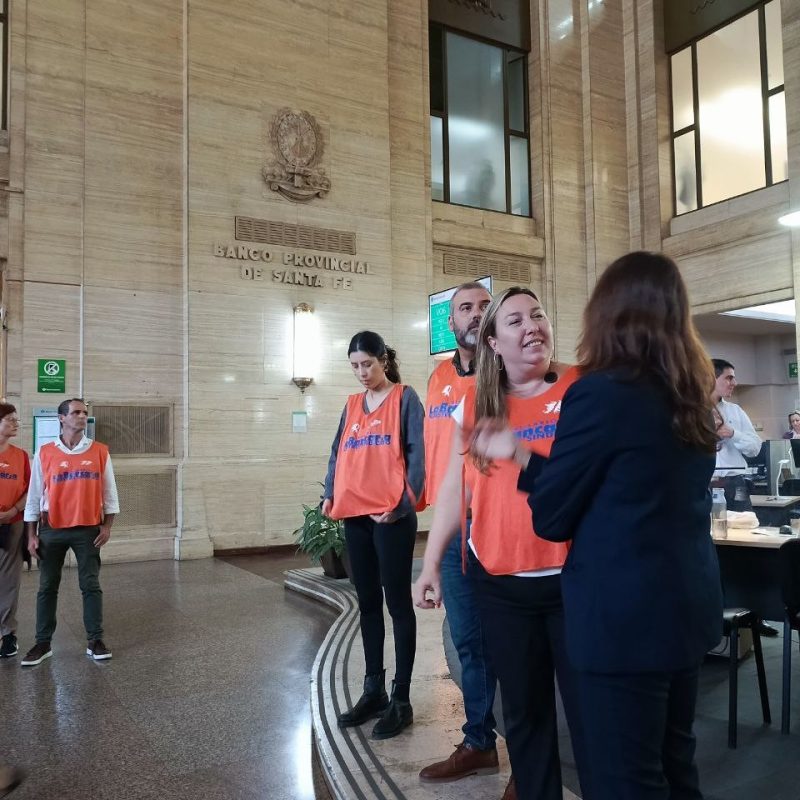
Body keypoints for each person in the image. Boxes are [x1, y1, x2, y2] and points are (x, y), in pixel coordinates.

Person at [469, 252, 723, 800]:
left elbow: (555, 515)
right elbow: (626, 492)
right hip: (686, 610)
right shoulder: (689, 393)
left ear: (607, 311)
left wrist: (524, 463)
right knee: (676, 764)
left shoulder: (600, 392)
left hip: (624, 622)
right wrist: (522, 453)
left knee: (624, 779)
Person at [413, 287, 590, 800]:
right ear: (493, 341)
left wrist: (520, 452)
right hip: (502, 582)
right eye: (514, 320)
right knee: (525, 715)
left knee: (587, 714)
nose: (532, 324)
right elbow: (452, 490)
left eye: (538, 313)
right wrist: (428, 567)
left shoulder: (581, 389)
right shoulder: (473, 403)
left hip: (572, 578)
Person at [418, 282, 512, 793]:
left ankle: (528, 760)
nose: (475, 314)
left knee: (515, 644)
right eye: (464, 308)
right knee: (469, 642)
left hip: (501, 526)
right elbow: (438, 458)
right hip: (453, 532)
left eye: (482, 306)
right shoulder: (436, 379)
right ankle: (478, 741)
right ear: (449, 322)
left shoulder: (507, 375)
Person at [322, 332, 424, 740]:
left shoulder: (405, 398)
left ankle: (402, 699)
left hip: (391, 516)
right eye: (355, 366)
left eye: (367, 364)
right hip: (357, 516)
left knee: (398, 604)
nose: (362, 373)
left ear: (383, 360)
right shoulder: (351, 406)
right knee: (366, 602)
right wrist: (330, 492)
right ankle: (374, 690)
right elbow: (337, 452)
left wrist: (404, 503)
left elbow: (420, 452)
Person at [20, 398, 120, 666]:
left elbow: (110, 494)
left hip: (89, 530)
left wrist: (107, 526)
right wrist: (31, 534)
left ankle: (95, 640)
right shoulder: (45, 452)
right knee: (47, 587)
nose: (81, 416)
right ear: (61, 418)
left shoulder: (99, 451)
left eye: (84, 413)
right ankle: (43, 643)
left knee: (90, 585)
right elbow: (33, 497)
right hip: (51, 529)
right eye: (75, 412)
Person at [710, 358, 761, 512]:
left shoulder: (735, 411)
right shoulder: (689, 411)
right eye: (729, 378)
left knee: (746, 528)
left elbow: (755, 448)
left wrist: (732, 433)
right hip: (702, 484)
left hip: (736, 483)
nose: (735, 383)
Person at [0, 404, 30, 659]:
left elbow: (30, 489)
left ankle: (8, 634)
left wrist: (13, 510)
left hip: (12, 523)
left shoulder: (20, 456)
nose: (15, 423)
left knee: (9, 581)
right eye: (10, 420)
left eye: (15, 419)